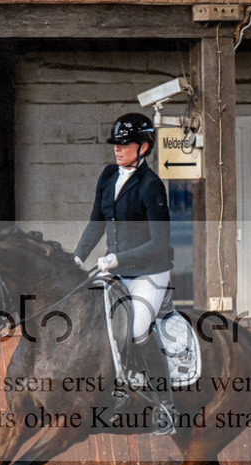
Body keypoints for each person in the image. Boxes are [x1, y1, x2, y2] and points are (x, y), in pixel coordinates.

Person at [73, 112, 176, 434]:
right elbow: (96, 222)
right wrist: (76, 258)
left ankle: (165, 405)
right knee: (89, 319)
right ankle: (108, 394)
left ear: (143, 147)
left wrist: (117, 258)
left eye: (125, 144)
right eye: (115, 144)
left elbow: (159, 243)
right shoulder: (107, 175)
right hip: (115, 269)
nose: (117, 149)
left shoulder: (152, 186)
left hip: (149, 273)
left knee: (137, 329)